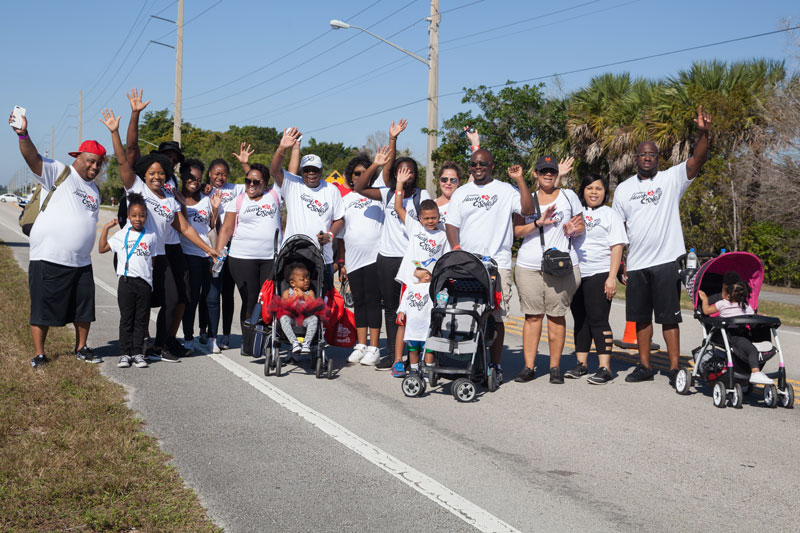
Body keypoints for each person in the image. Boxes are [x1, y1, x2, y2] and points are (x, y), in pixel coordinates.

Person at [102, 109, 217, 362]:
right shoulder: (137, 188)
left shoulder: (169, 199)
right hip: (141, 256)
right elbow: (123, 160)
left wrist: (210, 250)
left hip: (162, 256)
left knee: (174, 298)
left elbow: (185, 228)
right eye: (152, 173)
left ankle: (160, 345)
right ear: (144, 174)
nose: (156, 176)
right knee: (142, 303)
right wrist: (114, 133)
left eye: (161, 173)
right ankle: (137, 347)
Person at [612, 106, 712, 385]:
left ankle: (673, 368)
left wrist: (704, 134)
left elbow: (697, 159)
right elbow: (619, 231)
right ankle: (644, 366)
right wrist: (621, 263)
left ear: (658, 158)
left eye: (652, 155)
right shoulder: (623, 189)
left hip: (667, 261)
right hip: (637, 264)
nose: (647, 158)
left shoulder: (670, 179)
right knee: (641, 318)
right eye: (643, 154)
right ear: (636, 158)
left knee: (669, 318)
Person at [10, 109, 105, 367]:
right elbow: (32, 157)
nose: (95, 166)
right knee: (42, 307)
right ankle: (39, 354)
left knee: (84, 308)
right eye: (90, 161)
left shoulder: (95, 190)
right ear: (78, 157)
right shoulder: (59, 172)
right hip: (49, 256)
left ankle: (81, 348)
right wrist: (23, 135)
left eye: (99, 163)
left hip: (81, 261)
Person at [445, 149, 535, 382]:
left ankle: (495, 365)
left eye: (483, 164)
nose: (478, 167)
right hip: (467, 264)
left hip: (498, 264)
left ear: (492, 166)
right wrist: (456, 248)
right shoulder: (462, 192)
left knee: (496, 316)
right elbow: (452, 224)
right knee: (466, 312)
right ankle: (467, 361)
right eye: (474, 164)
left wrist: (520, 180)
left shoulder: (506, 190)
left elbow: (528, 210)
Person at [353, 119, 432, 369]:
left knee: (416, 307)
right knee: (391, 307)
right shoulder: (387, 193)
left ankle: (416, 354)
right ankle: (393, 354)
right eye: (401, 171)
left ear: (415, 175)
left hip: (413, 260)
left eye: (410, 171)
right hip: (387, 258)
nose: (405, 174)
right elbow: (359, 187)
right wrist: (387, 147)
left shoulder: (422, 196)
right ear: (396, 174)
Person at [512, 156, 584, 384]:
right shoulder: (527, 199)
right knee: (533, 317)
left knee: (556, 316)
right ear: (535, 174)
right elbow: (517, 231)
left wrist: (573, 229)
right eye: (543, 171)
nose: (548, 175)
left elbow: (581, 225)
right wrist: (538, 224)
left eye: (552, 171)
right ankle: (529, 366)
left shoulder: (568, 196)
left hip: (561, 267)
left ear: (557, 173)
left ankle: (555, 367)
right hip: (529, 266)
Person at [567, 174, 627, 384]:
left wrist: (612, 277)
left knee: (598, 319)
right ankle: (581, 364)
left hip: (600, 272)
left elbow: (617, 246)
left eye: (599, 188)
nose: (594, 192)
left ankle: (605, 368)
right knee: (580, 320)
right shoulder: (575, 213)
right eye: (590, 188)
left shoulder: (610, 215)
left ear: (605, 192)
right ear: (583, 190)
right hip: (575, 273)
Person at [214, 163, 282, 350]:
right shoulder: (238, 200)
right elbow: (226, 229)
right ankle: (248, 341)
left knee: (268, 300)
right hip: (242, 258)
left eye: (256, 181)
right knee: (250, 299)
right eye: (247, 181)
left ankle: (266, 339)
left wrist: (289, 149)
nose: (251, 184)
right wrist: (218, 254)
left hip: (270, 258)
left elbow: (285, 170)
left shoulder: (274, 194)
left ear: (265, 183)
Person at [391, 170, 450, 377]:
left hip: (431, 287)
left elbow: (445, 260)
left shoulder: (443, 235)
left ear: (439, 216)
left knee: (429, 322)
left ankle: (428, 362)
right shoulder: (415, 227)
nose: (430, 221)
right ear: (420, 218)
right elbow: (398, 207)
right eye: (426, 218)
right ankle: (398, 361)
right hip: (411, 283)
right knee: (404, 321)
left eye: (434, 217)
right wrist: (399, 184)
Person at [270, 127, 344, 291]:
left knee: (321, 301)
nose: (311, 173)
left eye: (315, 170)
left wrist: (330, 236)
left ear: (321, 171)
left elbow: (340, 219)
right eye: (307, 170)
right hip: (293, 255)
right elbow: (274, 170)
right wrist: (283, 147)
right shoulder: (293, 184)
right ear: (301, 171)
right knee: (290, 301)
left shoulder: (331, 190)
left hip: (322, 257)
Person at [97, 194, 155, 369]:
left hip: (144, 284)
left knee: (141, 320)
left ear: (146, 216)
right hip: (126, 282)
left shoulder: (151, 236)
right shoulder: (121, 235)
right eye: (134, 215)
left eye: (142, 215)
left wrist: (149, 280)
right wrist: (106, 228)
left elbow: (152, 260)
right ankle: (125, 353)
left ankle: (138, 353)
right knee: (127, 319)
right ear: (128, 216)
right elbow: (102, 249)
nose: (138, 219)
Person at [337, 153, 385, 366]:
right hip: (353, 259)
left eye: (365, 173)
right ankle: (361, 344)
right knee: (359, 301)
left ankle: (374, 347)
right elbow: (341, 235)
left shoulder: (379, 196)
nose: (360, 176)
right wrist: (342, 261)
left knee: (373, 301)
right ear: (350, 176)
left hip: (375, 257)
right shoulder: (345, 200)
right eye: (357, 173)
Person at [698, 272, 773, 385]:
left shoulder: (726, 303)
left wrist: (705, 299)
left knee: (751, 347)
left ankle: (751, 369)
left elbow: (706, 310)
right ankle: (755, 372)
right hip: (734, 335)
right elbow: (752, 315)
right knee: (752, 350)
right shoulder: (741, 305)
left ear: (728, 295)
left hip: (741, 334)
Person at [179, 159, 217, 354]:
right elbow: (184, 227)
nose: (194, 182)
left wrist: (215, 209)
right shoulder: (177, 198)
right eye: (191, 177)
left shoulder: (206, 198)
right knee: (191, 299)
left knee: (211, 298)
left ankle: (211, 337)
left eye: (198, 179)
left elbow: (211, 225)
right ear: (183, 177)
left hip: (208, 255)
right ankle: (188, 338)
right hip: (188, 254)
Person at [271, 263, 325, 355]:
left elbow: (314, 305)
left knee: (314, 319)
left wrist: (304, 296)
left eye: (308, 278)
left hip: (305, 318)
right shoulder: (287, 292)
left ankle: (306, 343)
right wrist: (293, 298)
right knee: (283, 318)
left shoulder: (310, 292)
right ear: (293, 283)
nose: (307, 281)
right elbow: (284, 305)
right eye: (302, 279)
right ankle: (294, 342)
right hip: (292, 318)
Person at [396, 267, 435, 377]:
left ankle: (428, 370)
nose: (416, 268)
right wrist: (401, 311)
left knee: (428, 350)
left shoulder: (431, 287)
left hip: (426, 326)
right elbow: (404, 300)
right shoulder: (410, 286)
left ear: (427, 276)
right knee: (412, 349)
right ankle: (414, 369)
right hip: (412, 326)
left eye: (420, 268)